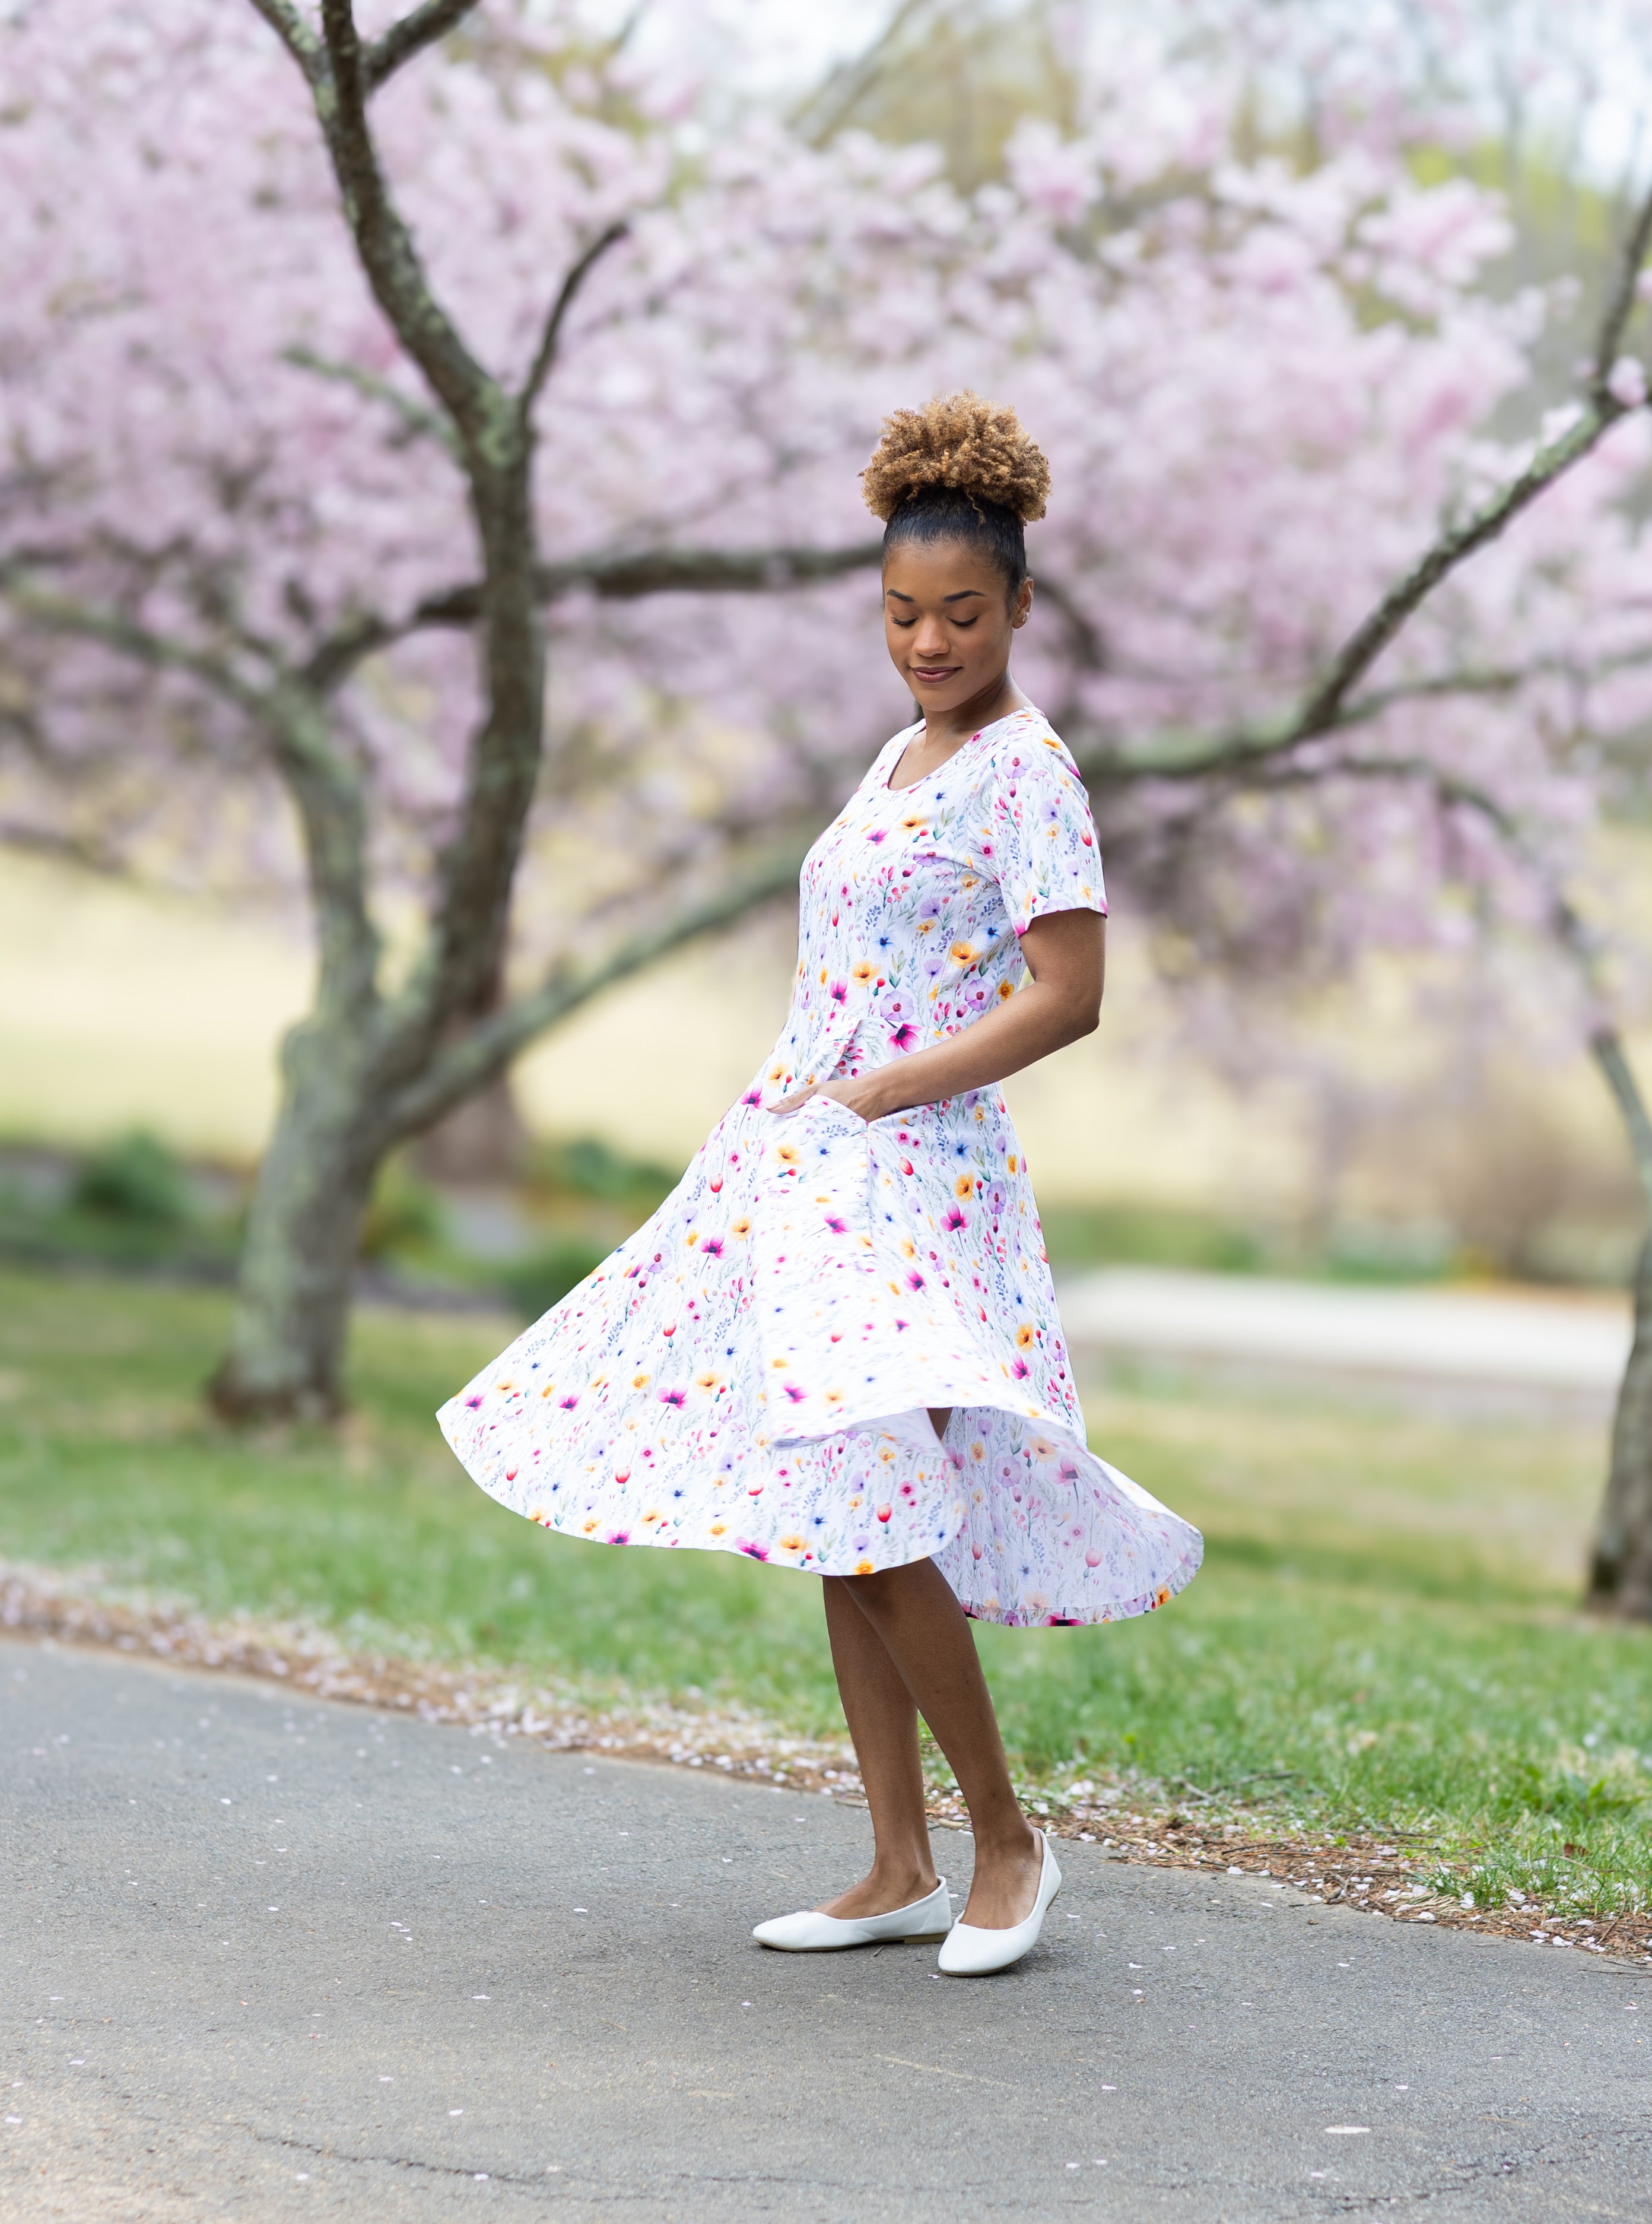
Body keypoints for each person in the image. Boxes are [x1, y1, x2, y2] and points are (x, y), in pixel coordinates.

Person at [438, 394, 1203, 1976]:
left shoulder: (1030, 773)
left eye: (963, 613)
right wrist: (798, 1114)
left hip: (917, 1180)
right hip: (811, 1163)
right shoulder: (900, 753)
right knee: (839, 1504)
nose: (930, 642)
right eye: (903, 613)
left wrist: (882, 1090)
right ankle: (899, 1861)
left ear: (1022, 606)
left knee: (872, 1503)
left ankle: (1009, 1842)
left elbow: (1070, 995)